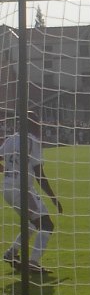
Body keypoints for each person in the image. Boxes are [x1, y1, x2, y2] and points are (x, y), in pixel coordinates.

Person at [1, 111, 63, 274]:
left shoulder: (10, 139)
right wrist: (53, 197)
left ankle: (11, 253)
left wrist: (7, 170)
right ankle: (33, 262)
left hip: (7, 187)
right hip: (21, 189)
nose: (39, 127)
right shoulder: (31, 141)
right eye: (38, 124)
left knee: (32, 223)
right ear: (33, 125)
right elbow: (39, 174)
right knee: (46, 224)